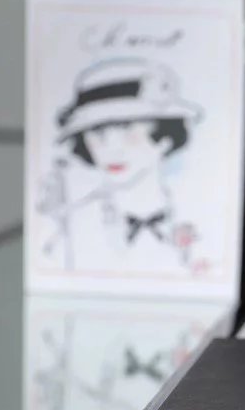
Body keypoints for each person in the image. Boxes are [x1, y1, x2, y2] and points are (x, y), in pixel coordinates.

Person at [39, 57, 204, 274]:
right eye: (97, 132)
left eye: (127, 128)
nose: (111, 149)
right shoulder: (72, 230)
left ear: (165, 138)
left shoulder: (199, 211)